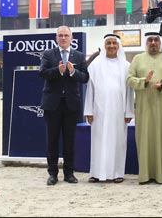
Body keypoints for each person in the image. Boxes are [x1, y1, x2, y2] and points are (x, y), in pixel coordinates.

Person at [39, 26, 89, 186]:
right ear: (56, 38)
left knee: (70, 140)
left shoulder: (79, 56)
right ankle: (52, 174)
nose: (63, 38)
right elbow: (42, 73)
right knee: (51, 141)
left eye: (66, 35)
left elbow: (85, 78)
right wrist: (58, 71)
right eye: (60, 35)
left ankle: (69, 173)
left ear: (71, 38)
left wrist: (73, 72)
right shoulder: (48, 54)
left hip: (71, 104)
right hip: (52, 104)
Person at [127, 32, 162, 184]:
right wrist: (144, 81)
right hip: (144, 108)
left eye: (156, 40)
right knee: (145, 140)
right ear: (146, 43)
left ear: (160, 42)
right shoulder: (138, 59)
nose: (153, 43)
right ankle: (145, 174)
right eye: (150, 40)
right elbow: (129, 79)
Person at [84, 34, 134, 183]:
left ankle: (118, 173)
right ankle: (96, 173)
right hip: (99, 110)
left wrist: (129, 111)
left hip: (119, 111)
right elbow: (90, 89)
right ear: (104, 46)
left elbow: (130, 91)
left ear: (118, 46)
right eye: (108, 43)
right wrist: (89, 111)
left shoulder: (126, 65)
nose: (111, 46)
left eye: (114, 43)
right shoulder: (95, 65)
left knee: (118, 141)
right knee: (98, 141)